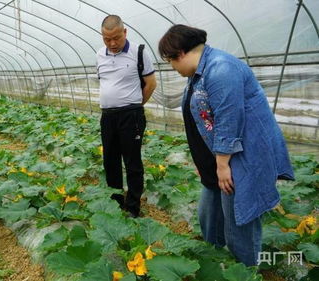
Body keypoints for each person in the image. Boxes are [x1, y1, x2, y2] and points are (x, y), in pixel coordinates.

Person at [158, 24, 294, 266]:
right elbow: (202, 121)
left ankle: (245, 270)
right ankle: (216, 261)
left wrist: (222, 166)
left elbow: (229, 121)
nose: (172, 67)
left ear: (180, 54)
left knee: (239, 224)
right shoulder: (197, 74)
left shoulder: (221, 69)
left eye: (170, 61)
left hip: (240, 158)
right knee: (209, 216)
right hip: (217, 161)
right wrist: (205, 162)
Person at [96, 15, 157, 218]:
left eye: (116, 38)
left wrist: (135, 106)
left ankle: (132, 207)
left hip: (130, 115)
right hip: (108, 116)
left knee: (132, 162)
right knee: (110, 161)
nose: (112, 43)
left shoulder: (138, 53)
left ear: (125, 32)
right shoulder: (99, 55)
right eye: (107, 39)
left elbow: (150, 84)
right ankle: (115, 202)